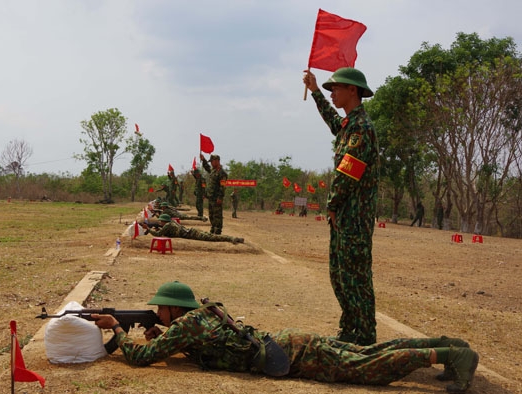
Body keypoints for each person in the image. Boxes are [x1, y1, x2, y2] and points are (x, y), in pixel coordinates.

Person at [92, 281, 479, 393]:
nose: (157, 312)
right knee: (367, 352)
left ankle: (449, 356)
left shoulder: (186, 325)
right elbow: (198, 344)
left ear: (175, 310)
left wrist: (118, 331)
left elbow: (142, 358)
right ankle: (449, 346)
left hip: (294, 356)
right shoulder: (203, 315)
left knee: (367, 369)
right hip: (288, 344)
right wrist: (163, 334)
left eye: (161, 308)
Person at [303, 67, 380, 346]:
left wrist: (333, 204)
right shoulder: (350, 125)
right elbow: (335, 123)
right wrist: (314, 92)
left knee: (355, 277)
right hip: (346, 216)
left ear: (353, 91)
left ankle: (364, 336)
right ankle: (350, 330)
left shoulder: (362, 128)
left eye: (336, 88)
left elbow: (349, 171)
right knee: (340, 276)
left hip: (354, 217)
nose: (332, 92)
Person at [142, 214, 243, 244]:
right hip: (192, 231)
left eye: (161, 221)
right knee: (212, 236)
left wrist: (148, 229)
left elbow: (158, 235)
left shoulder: (168, 225)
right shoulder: (171, 223)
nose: (160, 222)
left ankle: (231, 239)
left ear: (164, 221)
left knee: (212, 237)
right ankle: (234, 238)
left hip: (192, 234)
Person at [200, 154, 228, 234]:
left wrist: (220, 197)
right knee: (211, 215)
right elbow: (207, 167)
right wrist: (203, 160)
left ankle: (218, 230)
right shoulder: (213, 171)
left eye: (212, 161)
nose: (211, 163)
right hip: (211, 197)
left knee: (217, 215)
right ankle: (213, 228)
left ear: (217, 161)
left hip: (216, 198)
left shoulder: (222, 173)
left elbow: (223, 186)